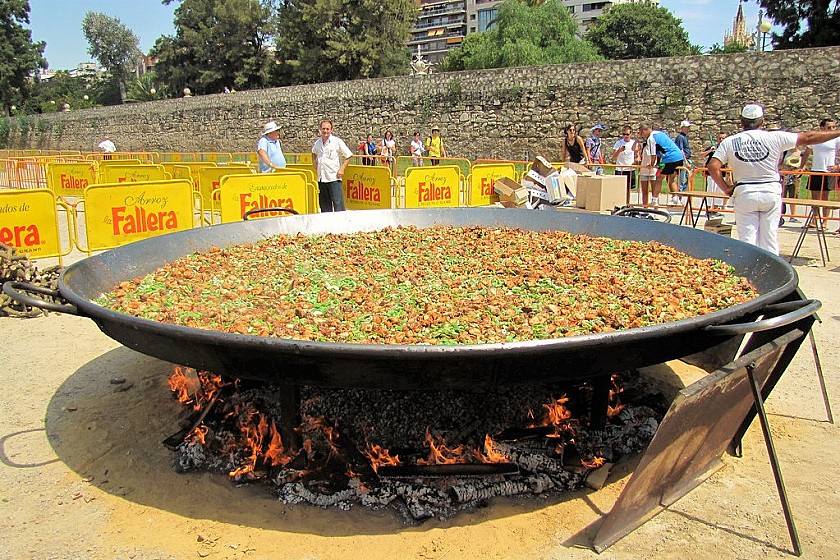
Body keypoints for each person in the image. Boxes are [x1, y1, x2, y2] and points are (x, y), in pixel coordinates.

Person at [707, 104, 840, 255]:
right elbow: (808, 137)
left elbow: (713, 166)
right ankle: (773, 274)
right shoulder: (774, 137)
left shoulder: (730, 141)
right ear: (762, 121)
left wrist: (726, 188)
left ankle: (748, 274)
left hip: (745, 191)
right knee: (769, 238)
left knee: (747, 239)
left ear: (741, 122)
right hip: (770, 190)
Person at [800, 118, 840, 232]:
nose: (832, 129)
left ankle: (825, 221)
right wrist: (801, 166)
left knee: (825, 198)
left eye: (833, 127)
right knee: (815, 197)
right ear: (822, 128)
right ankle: (814, 220)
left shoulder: (836, 139)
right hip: (815, 170)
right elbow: (806, 154)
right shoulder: (815, 139)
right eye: (829, 127)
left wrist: (837, 166)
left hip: (828, 171)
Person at [638, 123, 685, 206]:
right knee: (671, 179)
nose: (642, 136)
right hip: (679, 157)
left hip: (670, 158)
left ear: (644, 131)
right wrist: (658, 163)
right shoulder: (660, 133)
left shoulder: (651, 138)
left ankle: (654, 199)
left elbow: (653, 154)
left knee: (659, 177)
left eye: (641, 133)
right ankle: (675, 198)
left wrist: (651, 165)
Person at [312, 119, 353, 212]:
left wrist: (342, 169)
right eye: (323, 129)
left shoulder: (337, 141)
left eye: (327, 129)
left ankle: (341, 224)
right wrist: (314, 162)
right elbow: (313, 152)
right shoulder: (317, 143)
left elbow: (349, 155)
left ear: (331, 130)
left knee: (338, 205)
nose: (325, 131)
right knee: (324, 206)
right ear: (320, 130)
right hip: (322, 178)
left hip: (334, 178)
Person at [699, 131, 729, 215]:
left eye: (723, 138)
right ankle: (708, 209)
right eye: (720, 138)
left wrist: (728, 173)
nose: (721, 140)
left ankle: (716, 210)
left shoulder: (727, 149)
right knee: (710, 190)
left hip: (722, 173)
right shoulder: (713, 148)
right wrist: (710, 151)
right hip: (711, 174)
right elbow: (700, 155)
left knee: (720, 192)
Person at [612, 125, 639, 192]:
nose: (625, 136)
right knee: (619, 189)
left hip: (630, 169)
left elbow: (637, 155)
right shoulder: (618, 143)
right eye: (624, 134)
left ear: (631, 133)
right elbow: (614, 157)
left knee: (628, 190)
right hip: (620, 169)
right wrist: (619, 151)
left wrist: (637, 160)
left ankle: (627, 202)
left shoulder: (633, 143)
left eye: (627, 134)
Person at [638, 127, 658, 206]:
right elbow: (634, 149)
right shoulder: (643, 145)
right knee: (644, 192)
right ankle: (645, 208)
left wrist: (653, 165)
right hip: (644, 170)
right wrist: (637, 138)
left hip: (653, 171)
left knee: (654, 192)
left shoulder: (653, 142)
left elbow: (655, 155)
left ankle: (655, 209)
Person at [674, 120, 693, 192]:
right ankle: (678, 196)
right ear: (682, 128)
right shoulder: (680, 137)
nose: (688, 129)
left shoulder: (685, 137)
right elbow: (681, 150)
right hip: (683, 160)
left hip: (687, 159)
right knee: (682, 180)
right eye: (686, 127)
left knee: (688, 179)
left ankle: (683, 194)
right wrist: (686, 161)